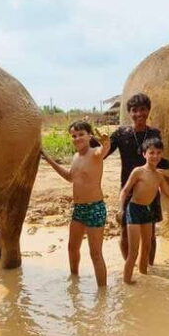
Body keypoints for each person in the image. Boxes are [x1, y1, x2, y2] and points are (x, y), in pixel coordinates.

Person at [105, 92, 169, 263]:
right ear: (129, 113)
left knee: (150, 235)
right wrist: (95, 141)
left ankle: (150, 268)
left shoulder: (154, 134)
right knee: (125, 232)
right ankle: (129, 265)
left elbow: (157, 159)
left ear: (148, 111)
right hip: (128, 190)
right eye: (134, 110)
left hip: (150, 190)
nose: (139, 114)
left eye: (142, 110)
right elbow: (103, 153)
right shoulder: (121, 134)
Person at [41, 121, 111, 287]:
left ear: (89, 136)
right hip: (78, 209)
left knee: (95, 254)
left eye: (81, 134)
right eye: (74, 136)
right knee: (72, 248)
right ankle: (74, 282)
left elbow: (104, 150)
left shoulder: (95, 153)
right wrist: (49, 160)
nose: (77, 138)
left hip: (95, 208)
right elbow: (69, 177)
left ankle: (102, 294)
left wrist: (106, 141)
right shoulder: (75, 157)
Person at [119, 138, 169, 284]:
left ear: (161, 155)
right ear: (144, 154)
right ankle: (127, 283)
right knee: (134, 251)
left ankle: (143, 275)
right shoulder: (138, 172)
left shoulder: (159, 176)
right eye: (151, 152)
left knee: (147, 247)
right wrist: (120, 209)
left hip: (147, 211)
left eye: (158, 153)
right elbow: (125, 191)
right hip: (134, 210)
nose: (155, 156)